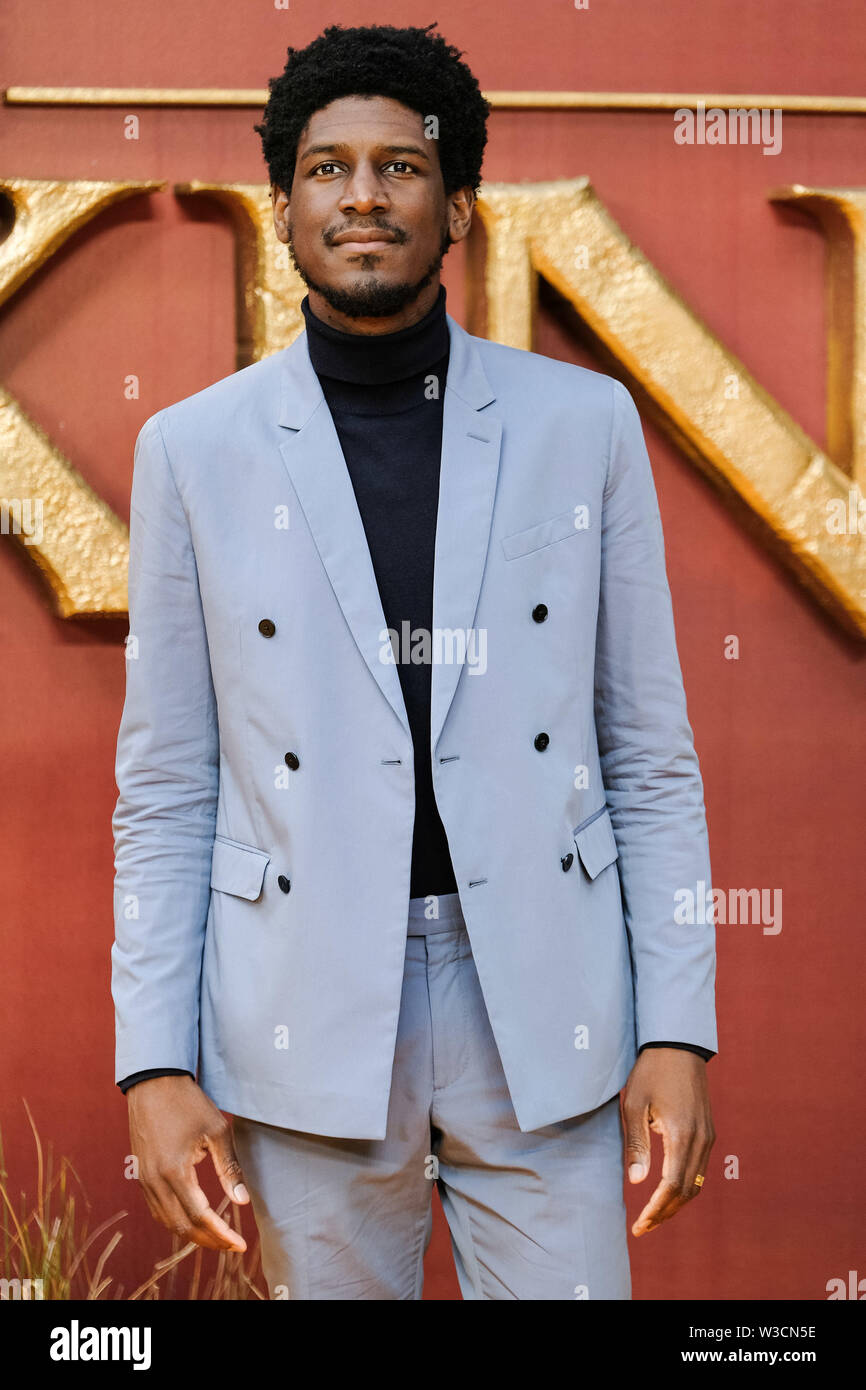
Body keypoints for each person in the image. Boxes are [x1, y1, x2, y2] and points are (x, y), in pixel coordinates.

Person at [112, 22, 716, 1301]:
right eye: (327, 169)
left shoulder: (580, 424)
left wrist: (674, 1026)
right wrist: (152, 1065)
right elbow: (167, 790)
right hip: (302, 1001)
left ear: (457, 207)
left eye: (400, 165)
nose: (364, 196)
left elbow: (648, 756)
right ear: (281, 208)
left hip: (541, 998)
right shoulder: (195, 450)